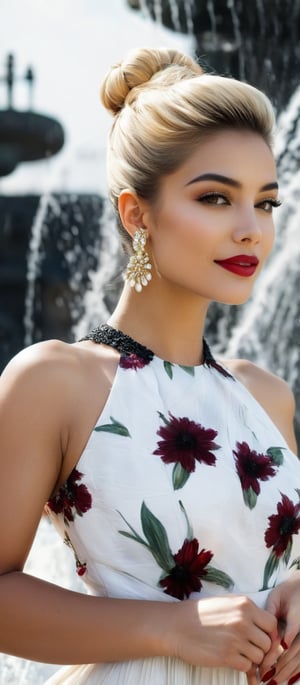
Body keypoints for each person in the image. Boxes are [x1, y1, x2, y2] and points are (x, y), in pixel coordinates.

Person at [1, 46, 300, 685]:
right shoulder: (57, 381)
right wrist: (170, 627)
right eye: (216, 198)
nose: (252, 229)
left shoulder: (267, 397)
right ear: (137, 214)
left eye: (266, 202)